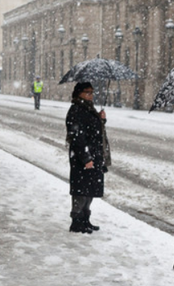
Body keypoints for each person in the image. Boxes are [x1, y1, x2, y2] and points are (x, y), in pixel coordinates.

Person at [65, 82, 109, 234]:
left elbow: (93, 130)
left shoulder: (88, 108)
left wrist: (101, 120)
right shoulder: (76, 110)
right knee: (81, 190)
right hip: (82, 157)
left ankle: (85, 219)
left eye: (92, 92)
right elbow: (77, 137)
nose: (91, 94)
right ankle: (76, 222)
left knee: (89, 189)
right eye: (88, 92)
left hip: (93, 154)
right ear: (79, 93)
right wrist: (85, 158)